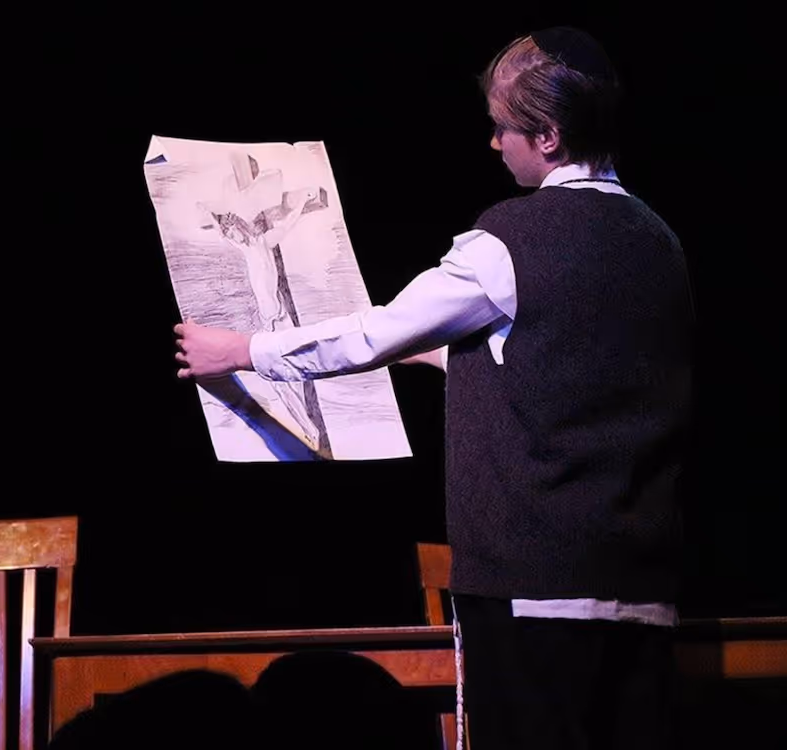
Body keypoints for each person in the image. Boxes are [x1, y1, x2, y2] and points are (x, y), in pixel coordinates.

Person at [173, 26, 694, 750]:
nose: (493, 142)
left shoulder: (511, 240)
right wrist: (440, 357)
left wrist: (242, 350)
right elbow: (568, 372)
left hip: (534, 587)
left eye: (503, 127)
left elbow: (373, 333)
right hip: (642, 590)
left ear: (548, 138)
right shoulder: (657, 239)